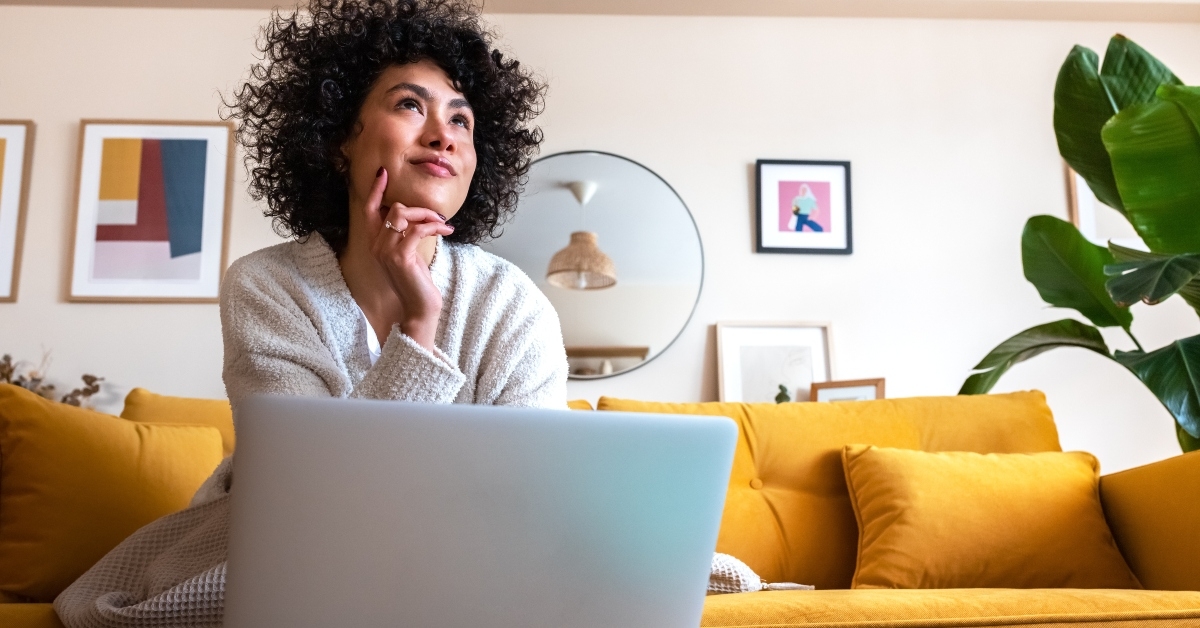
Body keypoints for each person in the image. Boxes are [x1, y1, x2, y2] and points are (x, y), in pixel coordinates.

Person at [54, 1, 563, 625]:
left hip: (466, 554)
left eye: (462, 119)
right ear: (336, 141)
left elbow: (530, 498)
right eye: (411, 105)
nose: (444, 134)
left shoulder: (513, 304)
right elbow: (314, 499)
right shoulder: (266, 285)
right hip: (287, 545)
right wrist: (420, 326)